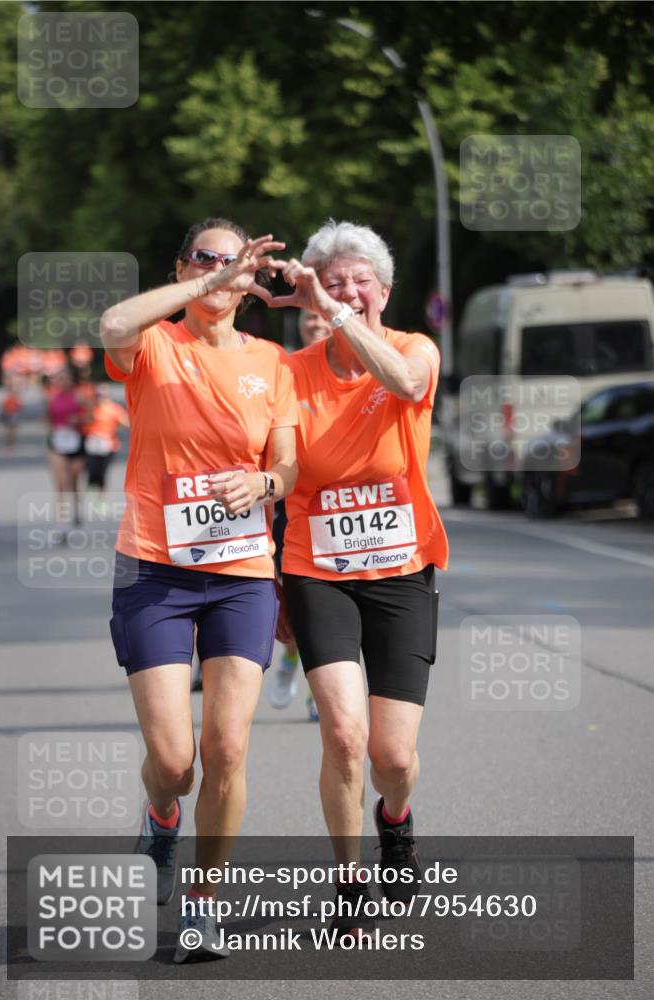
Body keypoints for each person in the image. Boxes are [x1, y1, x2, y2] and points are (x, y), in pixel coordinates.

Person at [99, 217, 296, 962]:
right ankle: (161, 810)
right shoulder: (152, 344)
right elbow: (112, 320)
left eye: (232, 262)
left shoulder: (272, 363)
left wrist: (266, 481)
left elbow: (287, 464)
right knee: (176, 761)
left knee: (227, 747)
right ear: (185, 268)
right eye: (205, 258)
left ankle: (203, 904)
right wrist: (202, 285)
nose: (219, 270)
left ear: (252, 281)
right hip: (154, 568)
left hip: (241, 573)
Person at [272, 220, 448, 937]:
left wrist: (337, 312)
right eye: (332, 281)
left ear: (383, 290)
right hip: (317, 570)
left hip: (401, 572)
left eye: (359, 281)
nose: (348, 291)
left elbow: (402, 382)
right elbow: (279, 470)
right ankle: (349, 884)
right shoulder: (290, 373)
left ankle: (395, 817)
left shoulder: (413, 349)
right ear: (314, 289)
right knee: (344, 736)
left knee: (392, 755)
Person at [267, 309, 332, 721]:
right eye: (310, 316)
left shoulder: (353, 369)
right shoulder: (283, 371)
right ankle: (291, 658)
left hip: (337, 508)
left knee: (336, 608)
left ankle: (320, 692)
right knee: (294, 605)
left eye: (325, 316)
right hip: (289, 505)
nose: (318, 323)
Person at [46, 366, 87, 536]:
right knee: (61, 482)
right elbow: (49, 418)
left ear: (72, 380)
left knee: (74, 480)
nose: (63, 381)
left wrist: (78, 419)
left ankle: (77, 508)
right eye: (60, 378)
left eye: (66, 377)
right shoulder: (51, 398)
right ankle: (61, 522)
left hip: (76, 442)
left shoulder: (79, 397)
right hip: (57, 443)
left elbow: (91, 416)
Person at [82, 385, 129, 503]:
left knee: (103, 470)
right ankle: (91, 487)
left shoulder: (114, 409)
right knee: (92, 468)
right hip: (92, 442)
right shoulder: (90, 407)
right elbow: (83, 421)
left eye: (103, 396)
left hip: (108, 444)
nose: (100, 398)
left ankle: (101, 498)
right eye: (98, 396)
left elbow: (125, 423)